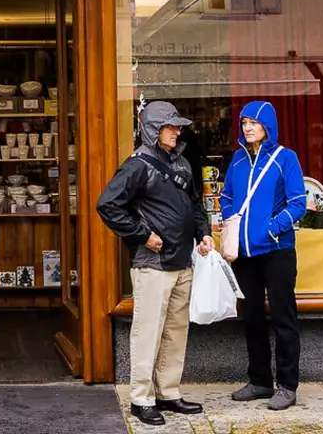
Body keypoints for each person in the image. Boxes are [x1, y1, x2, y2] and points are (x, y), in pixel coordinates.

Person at [96, 100, 214, 427]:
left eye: (178, 126)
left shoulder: (182, 164)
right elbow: (107, 205)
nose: (178, 130)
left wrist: (203, 233)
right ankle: (141, 399)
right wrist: (142, 235)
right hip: (152, 263)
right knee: (147, 332)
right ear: (153, 129)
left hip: (183, 261)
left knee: (176, 331)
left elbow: (195, 204)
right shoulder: (136, 166)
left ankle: (168, 392)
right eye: (172, 126)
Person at [219, 100, 307, 411]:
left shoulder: (286, 159)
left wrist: (272, 228)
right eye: (244, 123)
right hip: (245, 254)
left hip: (277, 251)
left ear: (267, 126)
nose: (247, 128)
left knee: (284, 319)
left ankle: (287, 385)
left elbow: (298, 203)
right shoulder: (238, 161)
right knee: (253, 318)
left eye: (253, 123)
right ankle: (259, 381)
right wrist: (230, 217)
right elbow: (227, 196)